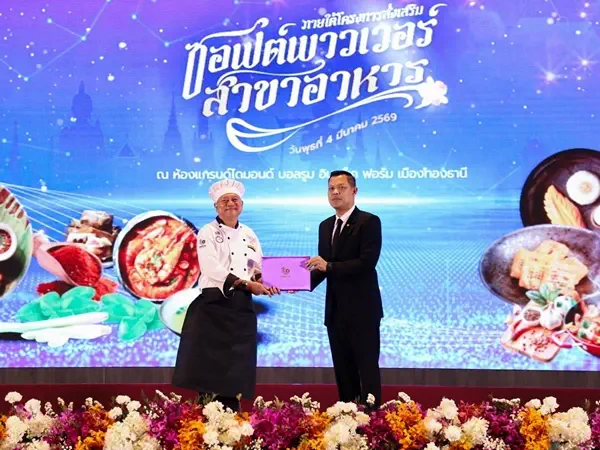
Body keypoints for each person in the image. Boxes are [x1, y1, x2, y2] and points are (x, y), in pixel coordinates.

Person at [173, 179, 280, 412]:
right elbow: (211, 267)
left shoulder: (249, 234)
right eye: (225, 200)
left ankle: (232, 422)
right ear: (216, 207)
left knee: (236, 371)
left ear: (242, 204)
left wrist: (267, 282)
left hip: (241, 308)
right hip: (213, 306)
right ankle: (206, 424)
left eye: (235, 199)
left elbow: (257, 267)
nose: (230, 203)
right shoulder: (207, 232)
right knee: (208, 373)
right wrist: (247, 284)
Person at [306, 170, 383, 406]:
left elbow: (366, 263)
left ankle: (372, 419)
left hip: (363, 311)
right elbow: (323, 267)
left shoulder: (369, 222)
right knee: (343, 371)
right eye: (331, 188)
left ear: (354, 191)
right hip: (335, 311)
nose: (335, 193)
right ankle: (346, 417)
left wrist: (328, 266)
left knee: (367, 370)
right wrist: (297, 283)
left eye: (341, 188)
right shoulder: (325, 226)